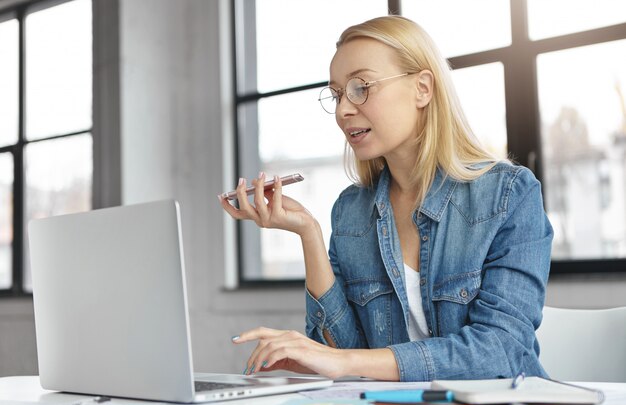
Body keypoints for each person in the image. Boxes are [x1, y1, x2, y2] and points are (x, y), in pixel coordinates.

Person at [219, 15, 553, 382]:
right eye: (337, 94)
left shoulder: (509, 195)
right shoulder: (350, 211)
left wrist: (345, 362)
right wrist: (308, 233)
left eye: (361, 87)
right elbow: (342, 354)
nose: (344, 109)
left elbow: (500, 351)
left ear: (423, 88)